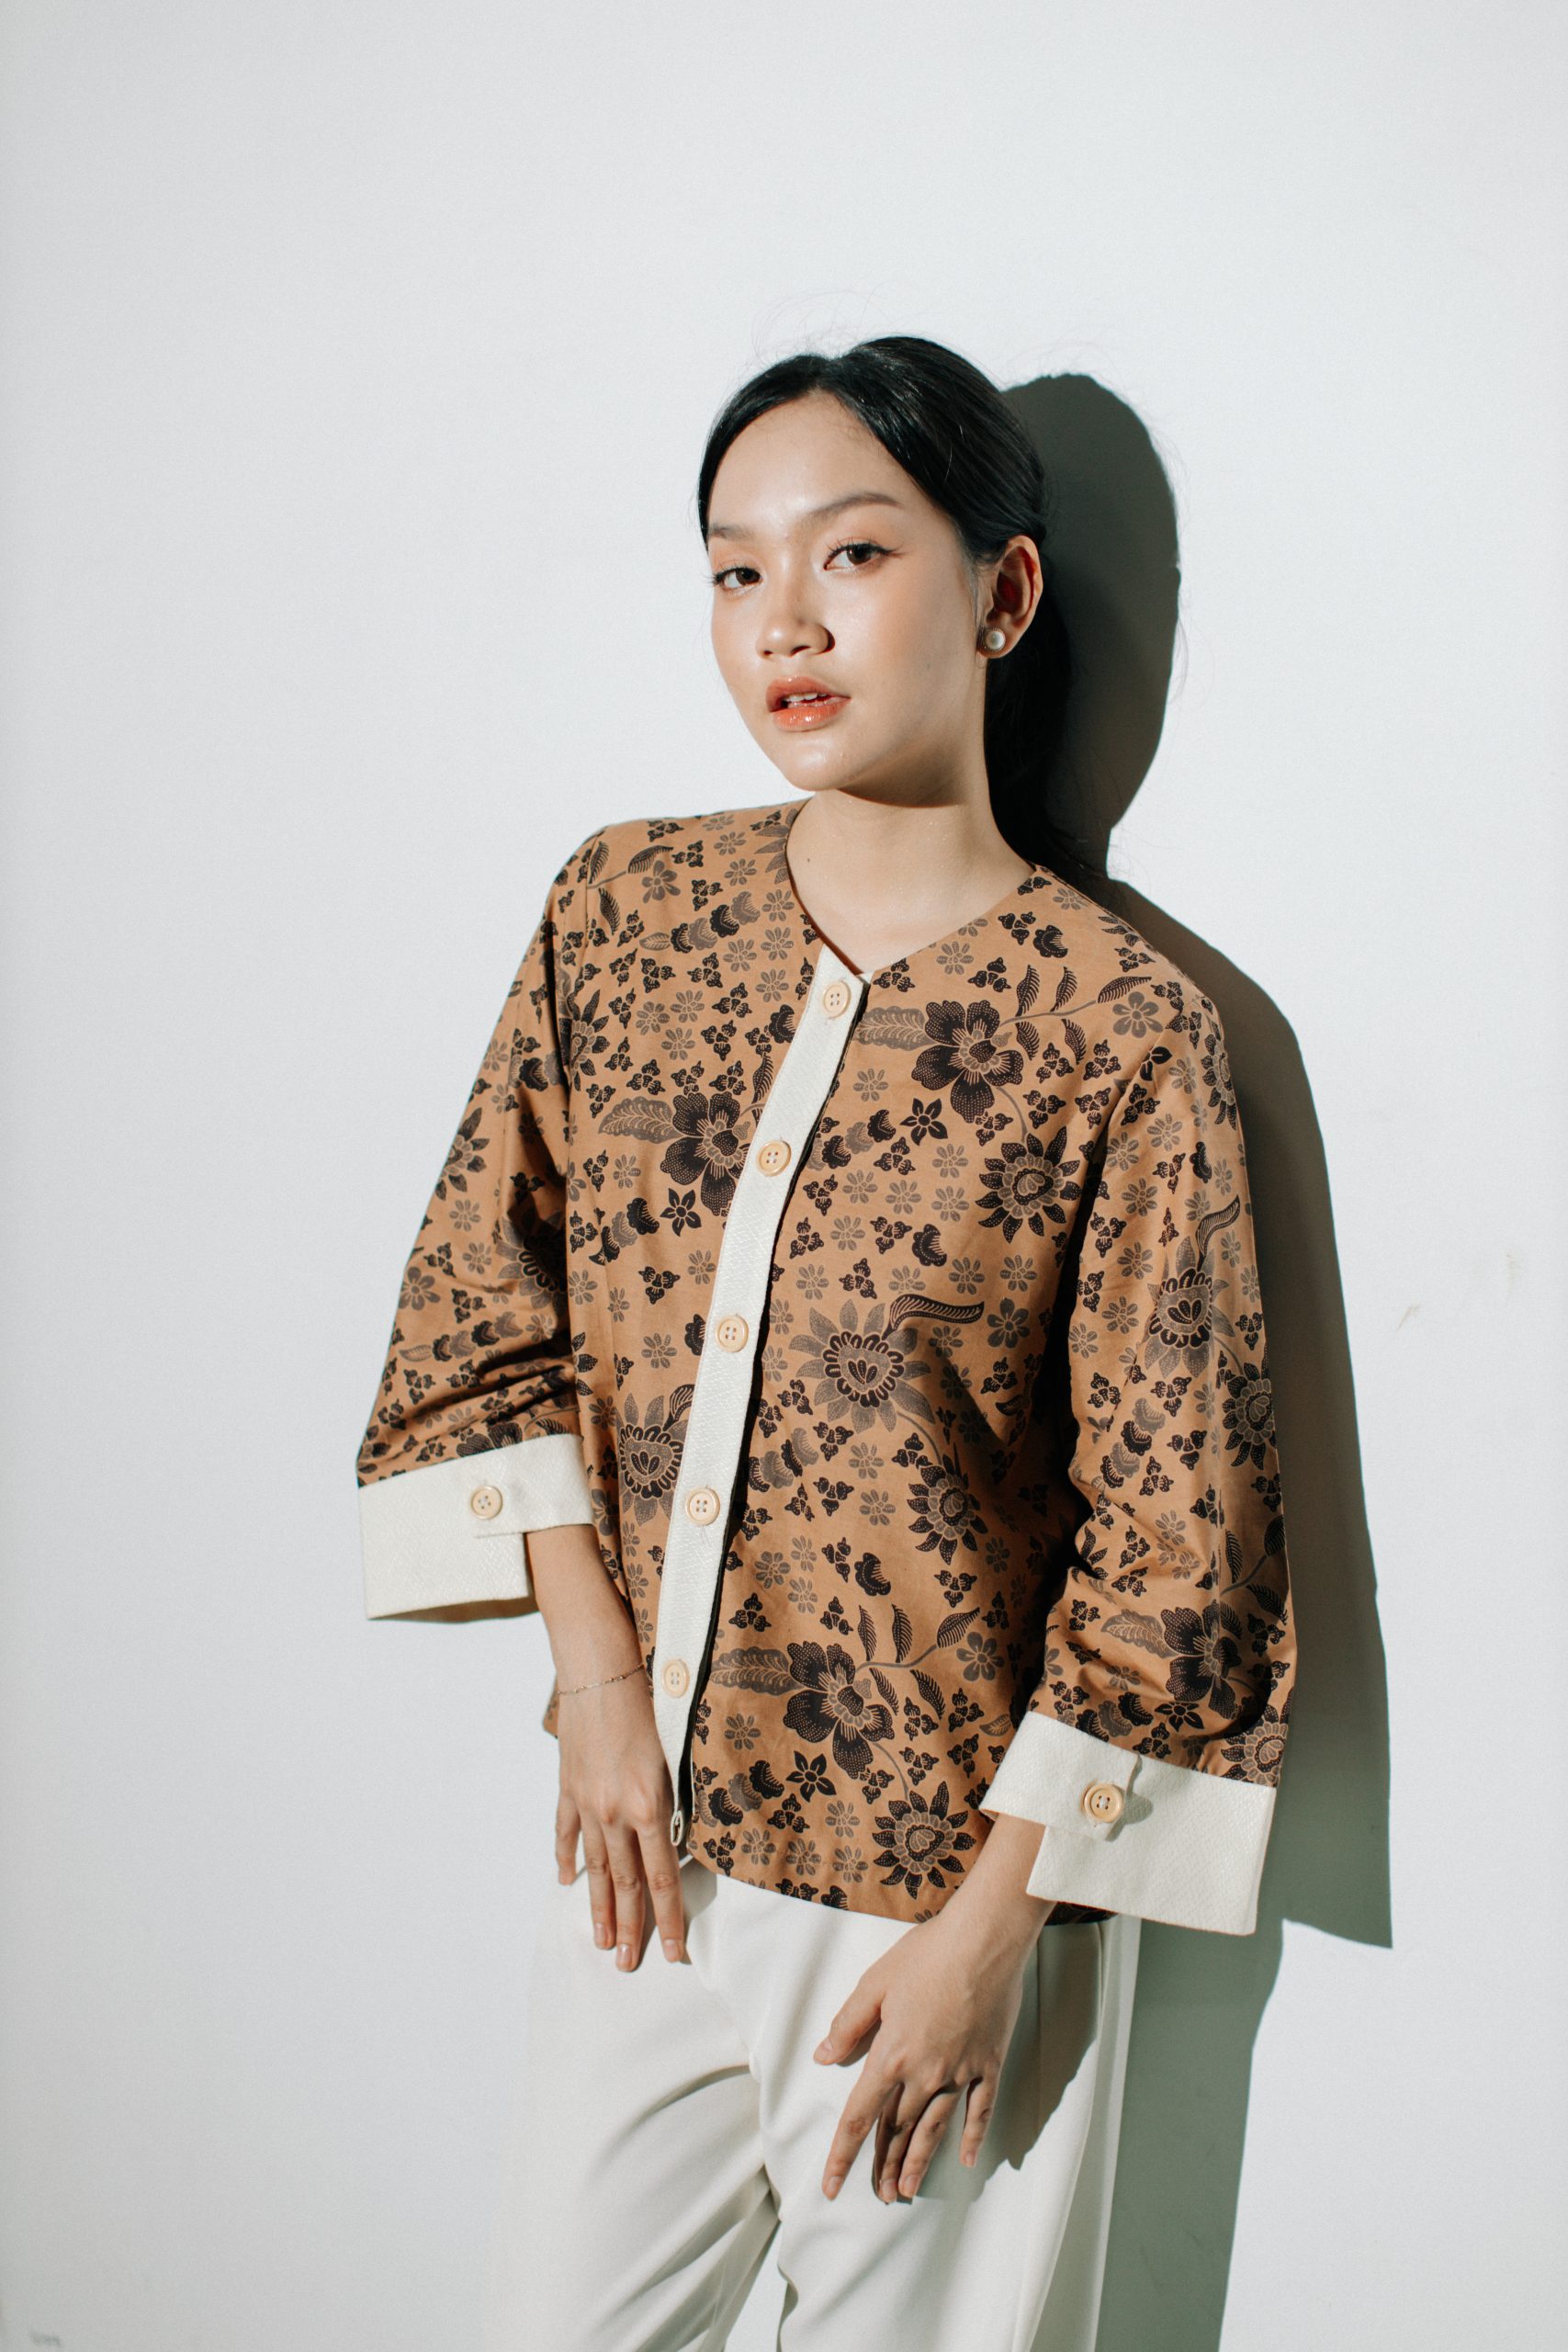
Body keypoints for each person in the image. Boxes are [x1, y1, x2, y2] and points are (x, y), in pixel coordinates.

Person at [354, 334, 1297, 2351]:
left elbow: (1177, 1545)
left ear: (1002, 592)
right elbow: (483, 1311)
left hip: (943, 1906)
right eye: (733, 568)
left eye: (851, 553)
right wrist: (596, 1683)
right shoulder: (621, 913)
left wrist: (990, 1941)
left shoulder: (1124, 1028)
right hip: (643, 1860)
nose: (782, 618)